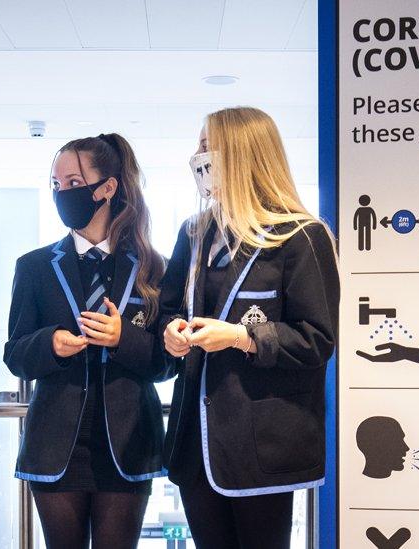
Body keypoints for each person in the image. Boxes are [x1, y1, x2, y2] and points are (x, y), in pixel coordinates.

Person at [160, 107, 340, 549]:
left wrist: (240, 337)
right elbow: (167, 308)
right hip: (195, 444)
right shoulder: (194, 233)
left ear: (240, 154)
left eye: (207, 147)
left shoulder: (301, 236)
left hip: (263, 444)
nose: (198, 158)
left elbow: (316, 339)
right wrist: (171, 332)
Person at [4, 133, 170, 549]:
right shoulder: (35, 267)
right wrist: (50, 345)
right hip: (56, 446)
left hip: (129, 445)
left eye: (74, 183)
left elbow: (169, 362)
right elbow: (15, 354)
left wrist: (122, 339)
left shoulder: (153, 267)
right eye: (56, 185)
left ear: (108, 187)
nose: (62, 193)